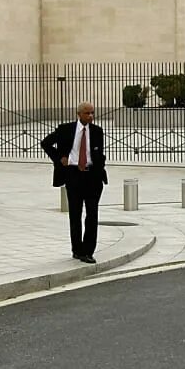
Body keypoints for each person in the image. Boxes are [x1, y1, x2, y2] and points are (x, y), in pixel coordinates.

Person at [43, 102, 107, 263]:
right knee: (75, 215)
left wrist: (99, 168)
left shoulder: (97, 131)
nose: (91, 116)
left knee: (92, 215)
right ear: (78, 114)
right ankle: (77, 249)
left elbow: (99, 153)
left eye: (93, 113)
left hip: (92, 177)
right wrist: (59, 158)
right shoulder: (66, 130)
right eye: (87, 113)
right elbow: (46, 143)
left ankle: (88, 251)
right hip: (73, 176)